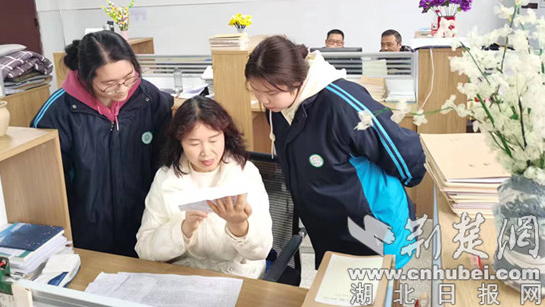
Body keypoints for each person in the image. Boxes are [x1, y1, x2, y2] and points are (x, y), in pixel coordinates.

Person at [245, 36, 425, 269]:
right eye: (256, 91)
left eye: (270, 92)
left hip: (374, 219)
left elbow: (402, 149)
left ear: (295, 80)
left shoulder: (341, 103)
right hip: (329, 224)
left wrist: (410, 179)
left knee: (379, 284)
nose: (263, 100)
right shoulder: (278, 108)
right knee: (338, 283)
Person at [31, 31, 173, 257]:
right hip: (87, 235)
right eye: (109, 84)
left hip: (143, 225)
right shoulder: (57, 115)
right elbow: (49, 189)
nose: (123, 89)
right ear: (87, 78)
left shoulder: (149, 98)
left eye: (129, 77)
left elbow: (164, 162)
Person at [135, 96, 272, 278]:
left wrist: (239, 226)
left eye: (214, 140)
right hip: (183, 276)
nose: (206, 153)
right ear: (179, 142)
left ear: (225, 135)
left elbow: (261, 251)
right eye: (194, 143)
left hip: (237, 275)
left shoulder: (245, 172)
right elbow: (144, 250)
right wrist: (184, 229)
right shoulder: (166, 177)